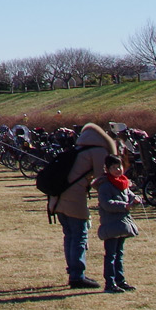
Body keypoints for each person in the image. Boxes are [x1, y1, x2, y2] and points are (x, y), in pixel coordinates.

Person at [50, 121, 117, 288]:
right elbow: (101, 177)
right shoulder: (98, 151)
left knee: (70, 235)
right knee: (80, 235)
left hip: (58, 198)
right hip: (74, 199)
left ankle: (72, 270)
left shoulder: (78, 150)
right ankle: (77, 275)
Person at [95, 153, 139, 293]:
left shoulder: (123, 183)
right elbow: (106, 204)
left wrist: (136, 199)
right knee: (111, 255)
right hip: (111, 224)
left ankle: (120, 280)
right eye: (114, 167)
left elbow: (130, 195)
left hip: (121, 224)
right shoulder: (105, 185)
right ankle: (110, 282)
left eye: (119, 166)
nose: (118, 170)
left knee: (119, 253)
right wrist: (124, 206)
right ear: (107, 169)